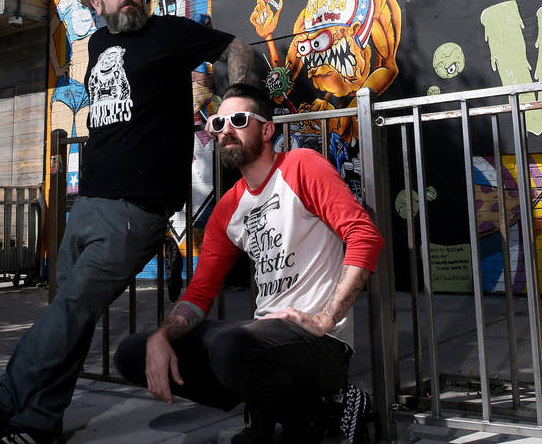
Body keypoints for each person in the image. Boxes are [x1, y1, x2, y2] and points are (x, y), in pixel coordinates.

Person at [0, 0, 254, 444]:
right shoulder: (99, 44)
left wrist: (239, 99)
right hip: (87, 205)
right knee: (71, 317)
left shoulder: (168, 33)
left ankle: (0, 408)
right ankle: (40, 423)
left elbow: (237, 47)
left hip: (134, 211)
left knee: (67, 312)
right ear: (95, 4)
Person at [114, 82, 383, 444]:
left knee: (230, 347)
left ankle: (331, 407)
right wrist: (162, 336)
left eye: (238, 120)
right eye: (218, 123)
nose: (226, 129)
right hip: (263, 338)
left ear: (267, 130)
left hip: (321, 343)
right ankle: (269, 406)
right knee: (134, 352)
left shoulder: (301, 167)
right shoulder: (229, 208)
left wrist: (325, 319)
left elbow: (364, 236)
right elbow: (200, 292)